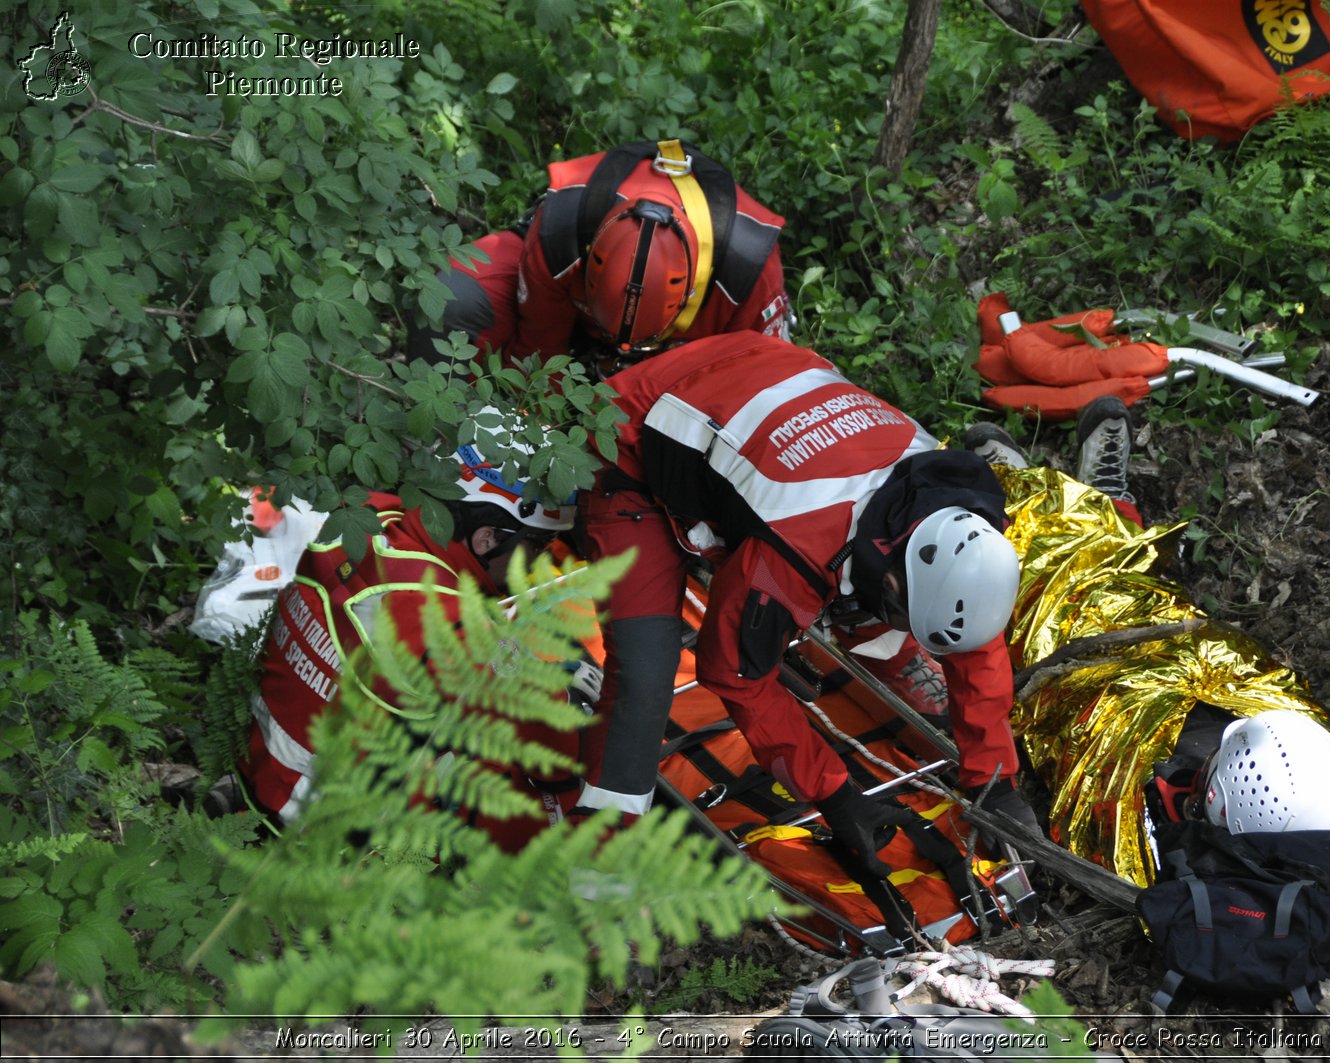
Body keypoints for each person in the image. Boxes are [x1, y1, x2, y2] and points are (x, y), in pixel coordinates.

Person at [570, 331, 1039, 876]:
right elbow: (736, 675)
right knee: (644, 676)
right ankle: (600, 866)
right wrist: (836, 794)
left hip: (766, 370)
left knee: (862, 595)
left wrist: (994, 779)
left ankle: (888, 653)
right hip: (636, 425)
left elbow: (973, 637)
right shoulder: (793, 551)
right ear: (894, 581)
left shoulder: (947, 502)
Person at [237, 411, 584, 850]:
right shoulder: (445, 626)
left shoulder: (371, 514)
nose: (540, 564)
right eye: (537, 546)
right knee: (537, 792)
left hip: (267, 755)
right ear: (487, 538)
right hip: (322, 821)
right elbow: (552, 749)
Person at [408, 139, 791, 377]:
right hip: (566, 310)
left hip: (682, 363)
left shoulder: (750, 268)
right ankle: (438, 441)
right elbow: (538, 353)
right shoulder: (562, 228)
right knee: (449, 295)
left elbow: (759, 383)